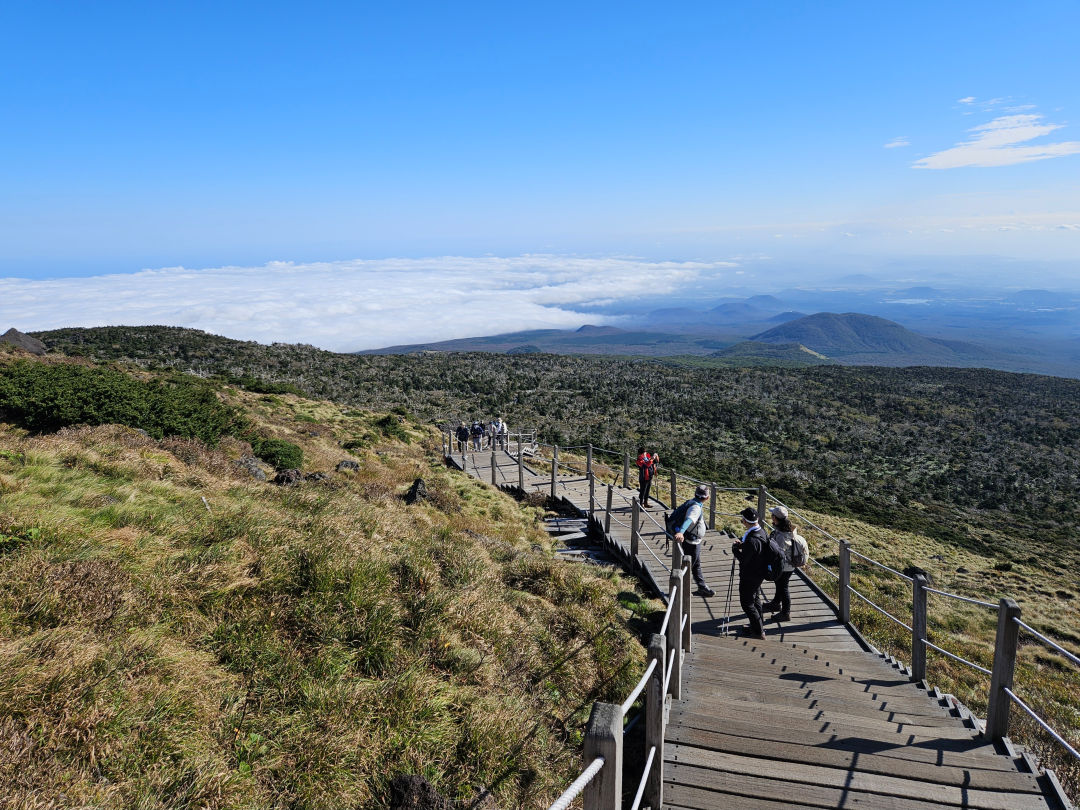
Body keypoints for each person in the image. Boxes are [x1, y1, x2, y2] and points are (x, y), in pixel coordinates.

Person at [732, 506, 768, 639]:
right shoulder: (761, 532)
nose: (742, 522)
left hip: (750, 575)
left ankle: (759, 632)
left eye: (742, 521)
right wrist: (743, 545)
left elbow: (744, 560)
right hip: (759, 573)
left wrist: (735, 550)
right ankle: (757, 626)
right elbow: (754, 550)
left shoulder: (752, 540)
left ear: (746, 522)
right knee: (756, 599)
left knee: (747, 603)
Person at [672, 484, 715, 597]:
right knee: (689, 565)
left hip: (691, 539)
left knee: (695, 564)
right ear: (707, 497)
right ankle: (680, 590)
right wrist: (681, 532)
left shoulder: (692, 502)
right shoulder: (696, 507)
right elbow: (689, 520)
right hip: (692, 541)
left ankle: (702, 587)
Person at [761, 505, 800, 623]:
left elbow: (776, 552)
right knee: (780, 585)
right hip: (789, 565)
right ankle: (776, 604)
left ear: (775, 518)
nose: (771, 516)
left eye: (772, 515)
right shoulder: (788, 528)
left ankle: (785, 613)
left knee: (783, 587)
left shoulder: (781, 535)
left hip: (784, 566)